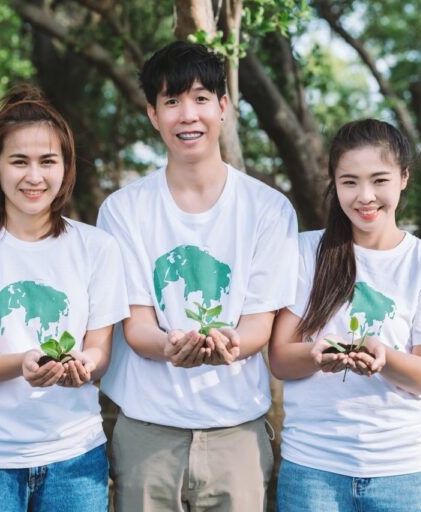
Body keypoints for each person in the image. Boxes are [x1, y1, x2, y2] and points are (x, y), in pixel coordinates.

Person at [96, 41, 299, 511]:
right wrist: (171, 347)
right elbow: (138, 326)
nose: (188, 115)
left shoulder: (268, 210)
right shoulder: (123, 210)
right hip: (147, 434)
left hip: (237, 436)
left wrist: (227, 345)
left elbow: (257, 326)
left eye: (201, 98)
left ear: (223, 107)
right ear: (152, 113)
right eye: (171, 101)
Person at [269, 119, 421, 511]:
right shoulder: (303, 252)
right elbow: (280, 357)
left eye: (379, 180)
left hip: (406, 473)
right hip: (313, 472)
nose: (365, 196)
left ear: (404, 178)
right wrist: (316, 354)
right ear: (334, 183)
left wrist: (384, 357)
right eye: (349, 182)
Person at [0, 85, 129, 512]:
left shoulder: (97, 248)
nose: (34, 176)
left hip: (75, 456)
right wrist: (23, 363)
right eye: (19, 161)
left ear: (65, 168)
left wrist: (85, 365)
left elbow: (100, 349)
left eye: (48, 161)